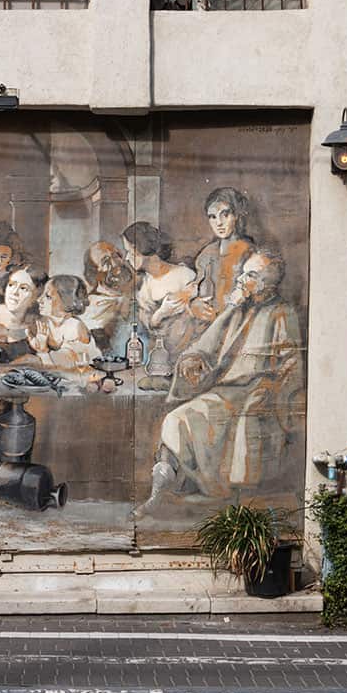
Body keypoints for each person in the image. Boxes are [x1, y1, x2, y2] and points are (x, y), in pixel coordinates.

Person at [137, 248, 304, 514]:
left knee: (241, 423)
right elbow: (205, 346)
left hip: (260, 394)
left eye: (249, 275)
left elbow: (291, 366)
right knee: (177, 419)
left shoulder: (282, 312)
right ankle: (160, 492)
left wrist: (272, 391)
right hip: (226, 392)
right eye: (242, 273)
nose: (240, 280)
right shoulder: (238, 310)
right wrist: (194, 359)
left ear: (266, 282)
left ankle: (228, 496)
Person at [122, 221, 199, 361]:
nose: (127, 258)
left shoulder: (184, 274)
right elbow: (150, 326)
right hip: (162, 356)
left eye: (129, 251)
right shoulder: (144, 289)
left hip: (192, 351)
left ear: (142, 249)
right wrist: (161, 313)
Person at [189, 187, 255, 323]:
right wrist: (194, 304)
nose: (219, 223)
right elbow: (195, 289)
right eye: (212, 217)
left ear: (237, 215)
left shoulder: (250, 253)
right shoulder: (206, 254)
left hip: (236, 323)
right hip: (206, 322)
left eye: (225, 215)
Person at [30, 274, 101, 369]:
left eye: (48, 296)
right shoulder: (44, 323)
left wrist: (43, 350)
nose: (39, 300)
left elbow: (62, 370)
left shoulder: (74, 327)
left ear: (66, 301)